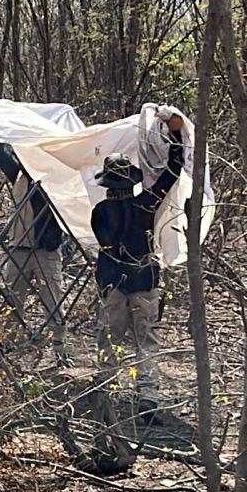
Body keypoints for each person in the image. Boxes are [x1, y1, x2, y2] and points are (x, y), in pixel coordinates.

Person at [92, 106, 186, 420]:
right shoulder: (145, 204)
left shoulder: (100, 213)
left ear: (107, 185)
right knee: (146, 340)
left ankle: (106, 390)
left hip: (113, 283)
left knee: (111, 338)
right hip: (143, 279)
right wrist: (175, 135)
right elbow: (173, 171)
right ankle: (146, 397)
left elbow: (105, 250)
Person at [0, 141, 68, 363]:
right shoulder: (19, 176)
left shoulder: (55, 179)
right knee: (13, 299)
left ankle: (59, 348)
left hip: (46, 250)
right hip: (19, 248)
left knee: (52, 300)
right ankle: (7, 343)